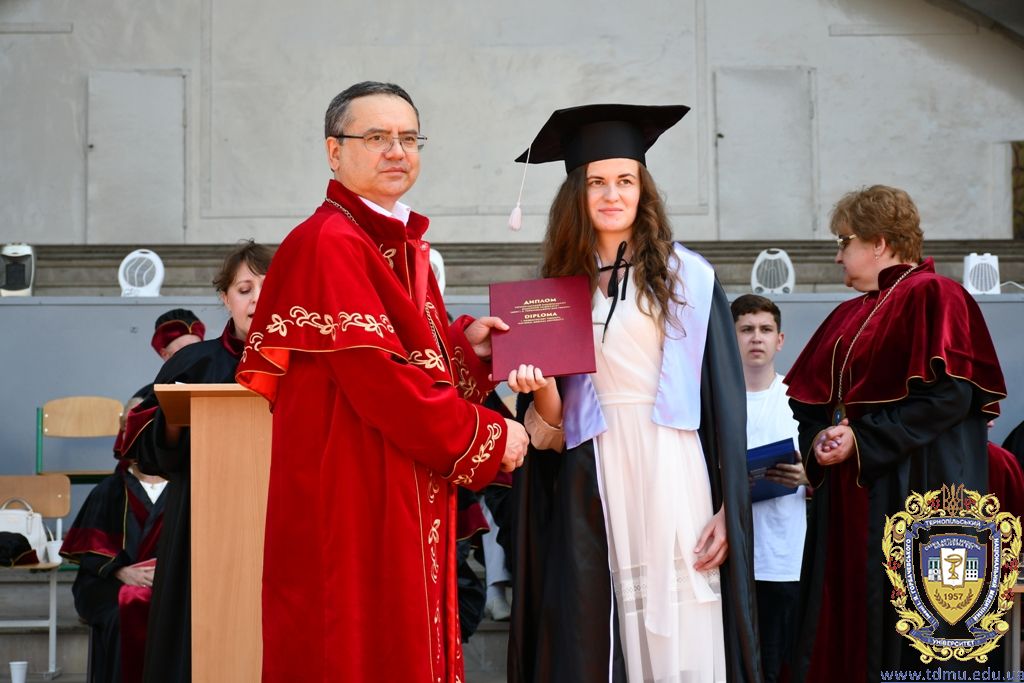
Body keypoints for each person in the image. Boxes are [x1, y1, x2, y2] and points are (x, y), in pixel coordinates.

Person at [234, 81, 528, 682]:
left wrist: (465, 347)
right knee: (356, 647)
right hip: (351, 493)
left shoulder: (393, 240)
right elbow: (382, 382)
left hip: (393, 483)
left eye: (408, 138)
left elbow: (408, 353)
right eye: (376, 137)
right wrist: (492, 436)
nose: (397, 151)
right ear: (334, 151)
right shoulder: (330, 242)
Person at [506, 104, 761, 683]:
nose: (611, 194)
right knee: (602, 628)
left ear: (643, 189)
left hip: (672, 461)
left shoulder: (688, 277)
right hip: (594, 469)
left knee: (682, 624)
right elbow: (552, 430)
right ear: (576, 193)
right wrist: (540, 389)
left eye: (625, 180)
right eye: (596, 181)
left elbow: (725, 402)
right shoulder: (555, 291)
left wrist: (730, 507)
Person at [784, 185, 1007, 682]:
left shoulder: (937, 295)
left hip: (917, 493)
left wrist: (862, 440)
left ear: (879, 242)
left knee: (918, 634)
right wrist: (820, 439)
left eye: (844, 242)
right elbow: (809, 405)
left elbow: (950, 396)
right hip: (848, 503)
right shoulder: (847, 314)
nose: (838, 257)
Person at [120, 240, 272, 682]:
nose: (256, 299)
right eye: (244, 289)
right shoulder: (193, 363)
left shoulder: (308, 364)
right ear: (225, 298)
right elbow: (148, 453)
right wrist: (173, 419)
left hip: (284, 515)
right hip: (199, 522)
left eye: (269, 288)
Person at [730, 293, 807, 683]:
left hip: (783, 557)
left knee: (776, 667)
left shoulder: (800, 401)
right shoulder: (714, 401)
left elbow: (828, 468)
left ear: (780, 339)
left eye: (765, 329)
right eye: (746, 329)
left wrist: (808, 476)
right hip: (729, 556)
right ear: (730, 338)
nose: (756, 337)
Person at [60, 459, 167, 683]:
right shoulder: (109, 489)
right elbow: (91, 550)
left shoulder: (184, 489)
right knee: (121, 617)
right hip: (109, 581)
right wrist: (121, 571)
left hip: (171, 582)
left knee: (187, 614)